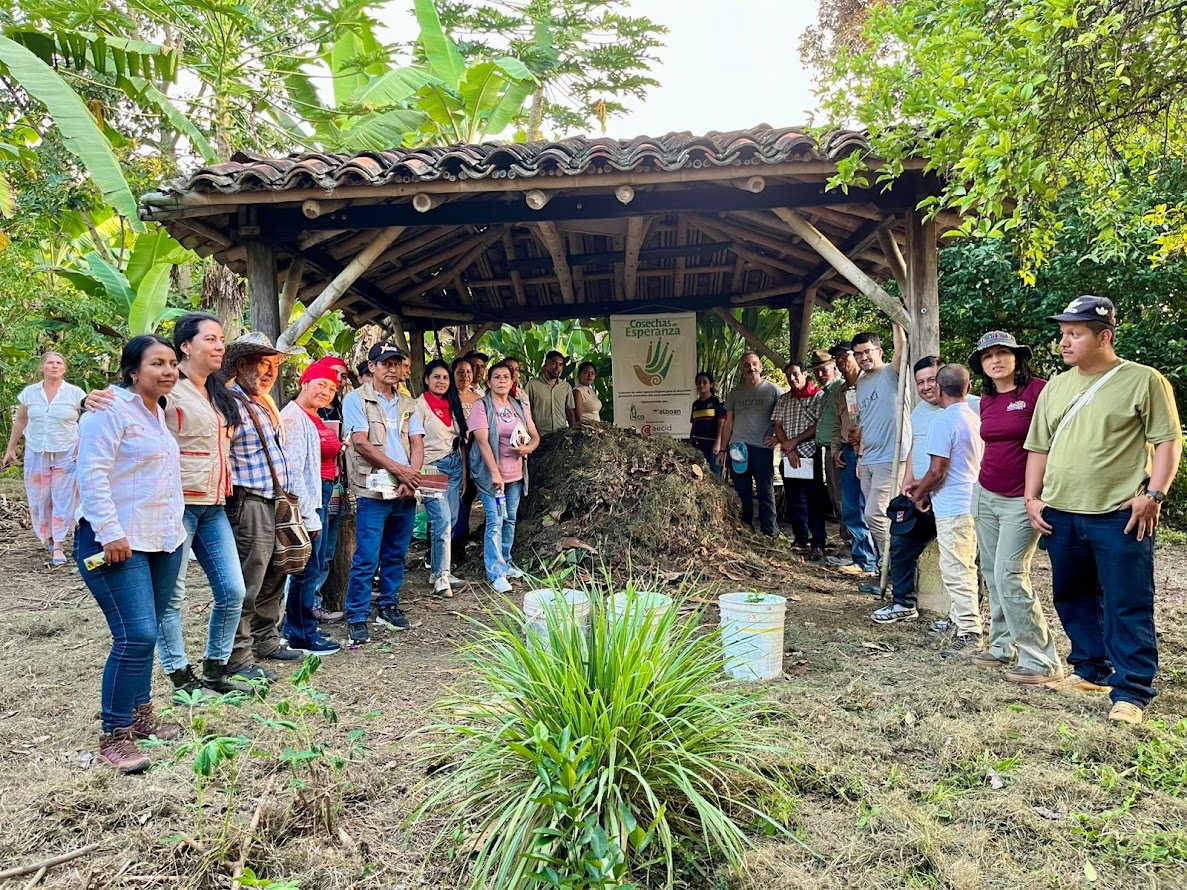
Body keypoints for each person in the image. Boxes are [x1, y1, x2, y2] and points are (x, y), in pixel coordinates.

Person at [1025, 296, 1182, 725]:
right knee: (1073, 596)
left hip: (1120, 512)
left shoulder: (1142, 380)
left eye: (1075, 334)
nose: (1064, 342)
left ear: (1104, 336)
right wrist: (1032, 498)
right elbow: (1038, 445)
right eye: (1063, 333)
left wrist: (1154, 494)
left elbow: (1168, 441)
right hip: (1062, 510)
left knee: (1127, 601)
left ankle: (1131, 690)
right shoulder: (1056, 386)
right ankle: (1090, 670)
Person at [75, 335, 186, 773]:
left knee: (149, 631)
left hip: (161, 539)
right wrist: (109, 531)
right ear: (132, 370)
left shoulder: (157, 411)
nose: (168, 371)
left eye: (173, 363)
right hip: (116, 541)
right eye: (157, 363)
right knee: (134, 635)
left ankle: (142, 717)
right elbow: (92, 473)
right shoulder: (108, 410)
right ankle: (115, 735)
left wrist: (175, 533)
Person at [966, 332, 1062, 684]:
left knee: (1010, 573)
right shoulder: (987, 400)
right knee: (991, 572)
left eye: (1003, 353)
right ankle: (1002, 645)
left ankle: (1041, 660)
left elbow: (1057, 441)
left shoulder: (1039, 391)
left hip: (1023, 499)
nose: (996, 360)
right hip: (986, 493)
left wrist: (1041, 493)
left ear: (1017, 357)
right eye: (988, 356)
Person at [224, 332, 308, 680]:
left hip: (275, 500)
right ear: (242, 365)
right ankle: (238, 658)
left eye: (274, 364)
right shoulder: (229, 401)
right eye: (264, 363)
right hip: (250, 502)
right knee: (249, 578)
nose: (271, 371)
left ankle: (266, 640)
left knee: (277, 571)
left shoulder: (262, 402)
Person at [342, 342, 426, 643]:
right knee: (366, 555)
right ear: (373, 367)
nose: (391, 369)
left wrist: (410, 476)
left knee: (396, 552)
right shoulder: (356, 400)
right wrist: (401, 471)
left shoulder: (408, 403)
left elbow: (417, 442)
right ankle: (357, 614)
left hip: (405, 488)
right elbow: (361, 443)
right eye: (385, 363)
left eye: (396, 364)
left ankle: (388, 605)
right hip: (372, 489)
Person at [904, 364, 985, 659]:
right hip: (972, 500)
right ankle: (958, 620)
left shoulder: (943, 421)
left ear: (939, 388)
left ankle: (969, 632)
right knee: (965, 566)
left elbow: (938, 470)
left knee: (956, 570)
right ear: (968, 387)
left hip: (954, 504)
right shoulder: (974, 417)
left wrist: (919, 491)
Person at [870, 356, 944, 619]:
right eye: (920, 382)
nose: (926, 387)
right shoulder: (918, 412)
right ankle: (903, 603)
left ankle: (959, 616)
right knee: (901, 543)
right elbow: (914, 448)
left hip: (951, 496)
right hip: (920, 494)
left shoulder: (967, 406)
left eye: (932, 379)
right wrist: (907, 482)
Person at [280, 359, 343, 657]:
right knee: (306, 566)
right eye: (321, 384)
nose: (327, 391)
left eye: (332, 388)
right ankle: (301, 633)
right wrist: (307, 514)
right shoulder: (293, 418)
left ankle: (299, 627)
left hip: (322, 492)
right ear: (304, 382)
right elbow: (293, 471)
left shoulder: (313, 416)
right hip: (307, 500)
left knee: (313, 563)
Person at [3, 352, 85, 567]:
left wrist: (82, 446)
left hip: (67, 453)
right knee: (40, 499)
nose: (55, 366)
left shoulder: (75, 393)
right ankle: (47, 535)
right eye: (50, 362)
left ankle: (58, 543)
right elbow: (20, 422)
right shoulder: (30, 394)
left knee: (63, 498)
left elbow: (86, 422)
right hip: (36, 452)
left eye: (59, 363)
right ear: (42, 367)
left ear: (64, 369)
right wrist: (10, 449)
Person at [469, 361, 540, 593]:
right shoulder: (482, 406)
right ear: (488, 382)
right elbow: (481, 441)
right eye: (496, 377)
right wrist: (495, 473)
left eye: (506, 377)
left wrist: (528, 449)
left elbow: (534, 435)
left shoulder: (518, 405)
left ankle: (506, 562)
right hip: (492, 474)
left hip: (516, 473)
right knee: (495, 520)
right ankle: (496, 572)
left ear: (512, 382)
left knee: (510, 518)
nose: (501, 381)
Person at [852, 330, 910, 572]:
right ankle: (883, 565)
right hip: (869, 457)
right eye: (858, 354)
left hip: (892, 455)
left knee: (876, 513)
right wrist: (860, 457)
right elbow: (864, 421)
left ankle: (897, 566)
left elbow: (903, 349)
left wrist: (896, 319)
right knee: (873, 516)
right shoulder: (861, 382)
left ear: (879, 351)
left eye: (867, 352)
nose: (863, 357)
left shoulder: (892, 372)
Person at [716, 353, 782, 537]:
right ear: (742, 369)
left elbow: (783, 419)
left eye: (754, 364)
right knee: (741, 489)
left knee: (765, 490)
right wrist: (723, 449)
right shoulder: (735, 393)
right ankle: (745, 528)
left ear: (760, 366)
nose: (751, 368)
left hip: (762, 448)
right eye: (746, 365)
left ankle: (770, 531)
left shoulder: (774, 390)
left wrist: (778, 437)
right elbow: (728, 423)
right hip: (737, 448)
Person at [416, 359, 468, 597]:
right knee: (442, 522)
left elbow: (461, 442)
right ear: (426, 379)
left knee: (453, 518)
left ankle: (439, 569)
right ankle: (441, 577)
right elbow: (413, 442)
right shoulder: (419, 406)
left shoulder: (453, 404)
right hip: (431, 467)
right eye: (436, 377)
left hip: (455, 465)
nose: (441, 381)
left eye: (445, 377)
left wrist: (464, 472)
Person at [829, 341, 879, 575]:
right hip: (848, 452)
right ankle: (863, 560)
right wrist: (835, 450)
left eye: (844, 356)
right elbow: (838, 423)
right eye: (836, 358)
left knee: (873, 507)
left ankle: (880, 561)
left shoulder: (869, 382)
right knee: (850, 507)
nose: (840, 361)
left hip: (871, 451)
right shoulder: (840, 391)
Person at [772, 360, 827, 558]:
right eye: (789, 376)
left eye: (796, 374)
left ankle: (818, 542)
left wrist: (795, 442)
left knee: (814, 499)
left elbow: (819, 425)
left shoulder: (819, 397)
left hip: (809, 452)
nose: (792, 378)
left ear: (805, 374)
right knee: (795, 499)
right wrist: (789, 447)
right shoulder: (784, 399)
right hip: (789, 455)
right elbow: (777, 425)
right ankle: (800, 538)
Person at [811, 349, 845, 525]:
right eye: (817, 371)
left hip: (839, 448)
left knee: (842, 495)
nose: (820, 374)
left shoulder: (841, 388)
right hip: (827, 448)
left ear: (834, 367)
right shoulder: (825, 393)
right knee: (834, 494)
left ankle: (854, 542)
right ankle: (847, 539)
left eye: (824, 369)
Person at [524, 351, 576, 434]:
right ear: (546, 365)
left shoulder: (566, 387)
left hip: (561, 434)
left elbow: (570, 411)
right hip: (540, 435)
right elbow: (525, 409)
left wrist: (573, 432)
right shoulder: (532, 385)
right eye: (554, 363)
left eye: (560, 365)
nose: (557, 368)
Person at [690, 371, 726, 474]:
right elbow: (694, 424)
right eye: (699, 382)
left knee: (714, 473)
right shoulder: (696, 404)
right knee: (698, 472)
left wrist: (718, 443)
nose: (701, 385)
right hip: (697, 444)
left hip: (712, 444)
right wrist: (690, 441)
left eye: (704, 382)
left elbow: (722, 424)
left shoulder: (717, 402)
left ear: (711, 384)